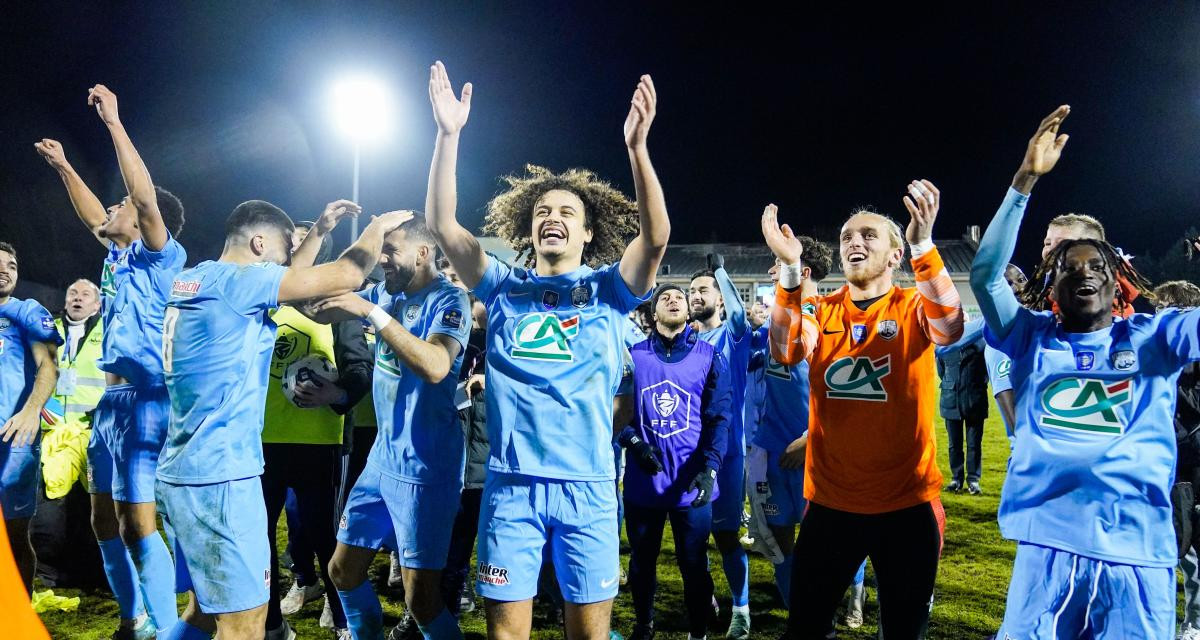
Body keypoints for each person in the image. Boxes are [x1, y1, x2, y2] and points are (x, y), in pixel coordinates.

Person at [424, 61, 669, 640]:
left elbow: (655, 238)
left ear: (587, 233)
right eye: (542, 212)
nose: (551, 218)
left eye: (566, 213)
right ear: (529, 231)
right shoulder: (503, 287)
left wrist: (637, 149)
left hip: (587, 489)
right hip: (510, 488)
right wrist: (448, 135)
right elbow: (441, 224)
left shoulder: (610, 291)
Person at [973, 105, 1181, 638]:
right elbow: (985, 276)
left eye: (1096, 266)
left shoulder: (1156, 337)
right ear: (1051, 283)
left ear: (1119, 280)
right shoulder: (1030, 336)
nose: (1082, 273)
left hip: (1137, 553)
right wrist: (1024, 178)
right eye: (1065, 265)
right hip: (1048, 548)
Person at [156, 200, 400, 640]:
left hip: (184, 468)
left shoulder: (199, 277)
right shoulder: (241, 282)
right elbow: (347, 275)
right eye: (286, 247)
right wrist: (377, 227)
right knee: (246, 624)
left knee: (202, 613)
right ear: (258, 242)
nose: (291, 258)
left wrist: (319, 230)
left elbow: (287, 282)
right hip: (221, 477)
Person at [761, 175, 964, 638]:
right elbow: (786, 349)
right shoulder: (823, 309)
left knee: (902, 631)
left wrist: (924, 245)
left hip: (908, 505)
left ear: (896, 254)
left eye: (869, 234)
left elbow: (950, 328)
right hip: (832, 504)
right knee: (806, 629)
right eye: (847, 236)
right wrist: (790, 271)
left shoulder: (913, 306)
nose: (855, 241)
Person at [35, 84, 187, 638]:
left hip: (149, 401)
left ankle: (169, 628)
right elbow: (94, 215)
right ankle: (134, 619)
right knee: (104, 521)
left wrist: (115, 124)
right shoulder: (120, 260)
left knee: (138, 523)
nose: (115, 208)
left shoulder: (160, 255)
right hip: (110, 404)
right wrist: (64, 167)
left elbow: (142, 201)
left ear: (150, 222)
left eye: (122, 205)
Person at [263, 214, 373, 639]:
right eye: (292, 236)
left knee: (327, 536)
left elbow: (361, 368)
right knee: (259, 539)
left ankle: (343, 619)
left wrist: (337, 395)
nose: (295, 242)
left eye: (303, 236)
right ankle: (272, 623)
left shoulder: (335, 303)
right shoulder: (265, 299)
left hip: (320, 444)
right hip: (259, 442)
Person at [618, 283, 731, 640]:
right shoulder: (632, 356)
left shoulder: (710, 357)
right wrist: (634, 444)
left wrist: (710, 469)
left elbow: (719, 419)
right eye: (664, 297)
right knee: (641, 565)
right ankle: (644, 624)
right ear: (653, 314)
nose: (673, 299)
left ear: (688, 311)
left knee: (695, 566)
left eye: (679, 297)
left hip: (691, 485)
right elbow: (615, 415)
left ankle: (698, 632)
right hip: (643, 483)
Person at [746, 238, 832, 609]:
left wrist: (812, 437)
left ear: (803, 272)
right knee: (778, 537)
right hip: (772, 450)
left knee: (830, 541)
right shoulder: (776, 324)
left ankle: (852, 597)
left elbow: (846, 393)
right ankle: (798, 609)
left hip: (816, 454)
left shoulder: (828, 319)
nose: (769, 272)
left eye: (777, 264)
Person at [688, 255, 752, 639]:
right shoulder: (687, 342)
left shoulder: (733, 336)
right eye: (692, 290)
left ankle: (741, 610)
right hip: (690, 455)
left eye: (703, 290)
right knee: (693, 538)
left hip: (728, 455)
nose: (696, 296)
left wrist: (721, 273)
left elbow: (741, 313)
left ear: (721, 298)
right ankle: (707, 597)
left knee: (727, 537)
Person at [31, 279, 104, 589]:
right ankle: (48, 574)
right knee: (50, 508)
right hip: (53, 434)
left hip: (93, 432)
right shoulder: (48, 328)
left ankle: (94, 574)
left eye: (86, 294)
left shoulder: (109, 331)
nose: (78, 298)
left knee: (93, 507)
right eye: (72, 292)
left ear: (97, 304)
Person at [0, 242, 62, 595]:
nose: (6, 269)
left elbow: (48, 365)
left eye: (12, 264)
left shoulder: (26, 312)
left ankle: (19, 614)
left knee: (14, 534)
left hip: (13, 440)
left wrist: (29, 410)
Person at [1154, 280, 1200, 640]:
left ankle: (1194, 623)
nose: (1158, 317)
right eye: (1157, 309)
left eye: (1167, 309)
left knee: (1194, 552)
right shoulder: (1152, 354)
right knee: (1164, 549)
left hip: (1193, 467)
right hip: (1160, 468)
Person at [935, 319, 990, 495]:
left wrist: (975, 385)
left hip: (974, 400)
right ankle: (956, 478)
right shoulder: (944, 345)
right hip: (951, 400)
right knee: (954, 444)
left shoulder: (982, 344)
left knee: (974, 444)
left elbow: (987, 371)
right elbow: (941, 372)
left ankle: (973, 480)